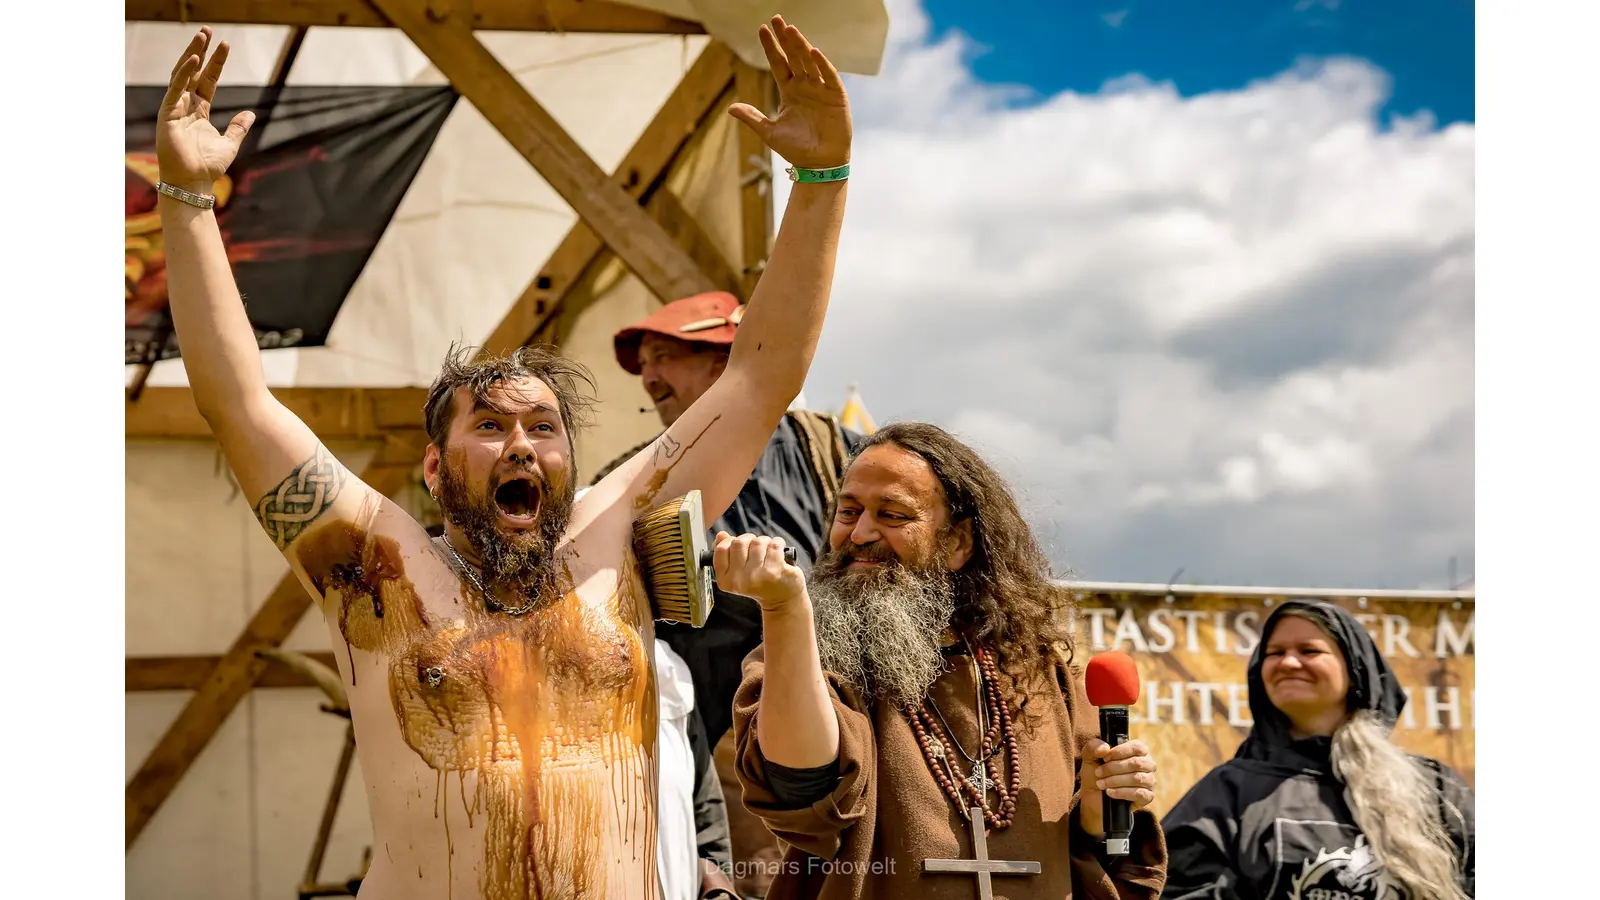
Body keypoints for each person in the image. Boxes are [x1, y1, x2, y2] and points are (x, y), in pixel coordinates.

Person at [152, 16, 851, 899]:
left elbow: (760, 376)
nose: (523, 442)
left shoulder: (616, 542)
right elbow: (239, 403)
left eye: (545, 428)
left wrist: (822, 179)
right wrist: (186, 201)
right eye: (489, 426)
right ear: (437, 469)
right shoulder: (376, 569)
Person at [719, 422, 1169, 899]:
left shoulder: (1041, 676)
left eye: (892, 515)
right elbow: (802, 785)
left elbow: (1092, 853)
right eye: (848, 511)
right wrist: (784, 609)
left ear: (958, 543)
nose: (861, 532)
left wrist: (1100, 812)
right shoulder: (809, 657)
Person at [596, 290, 867, 898]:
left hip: (843, 753)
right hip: (711, 772)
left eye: (663, 357)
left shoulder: (838, 456)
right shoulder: (628, 485)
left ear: (724, 361)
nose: (649, 378)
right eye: (644, 364)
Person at [1159, 600, 1474, 900]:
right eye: (1275, 652)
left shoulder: (1433, 787)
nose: (1288, 662)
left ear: (1355, 671)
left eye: (1309, 650)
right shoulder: (1227, 792)